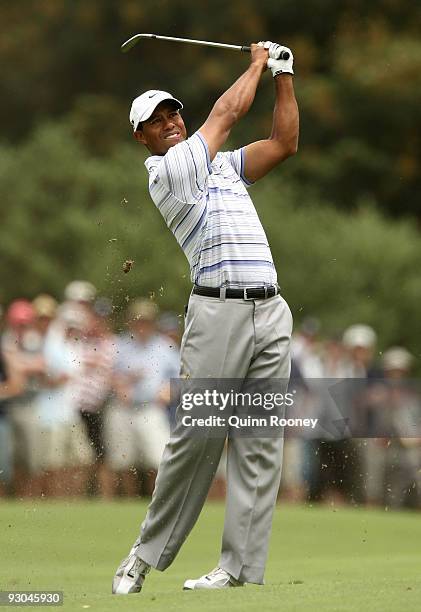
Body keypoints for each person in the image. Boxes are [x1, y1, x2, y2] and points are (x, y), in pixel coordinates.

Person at [112, 40, 298, 594]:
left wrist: (284, 78)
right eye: (154, 119)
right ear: (141, 136)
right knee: (198, 436)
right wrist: (259, 63)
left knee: (260, 442)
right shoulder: (168, 170)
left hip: (271, 310)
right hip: (217, 312)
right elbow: (226, 113)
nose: (167, 121)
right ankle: (142, 557)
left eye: (172, 112)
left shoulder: (224, 167)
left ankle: (237, 569)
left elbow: (284, 143)